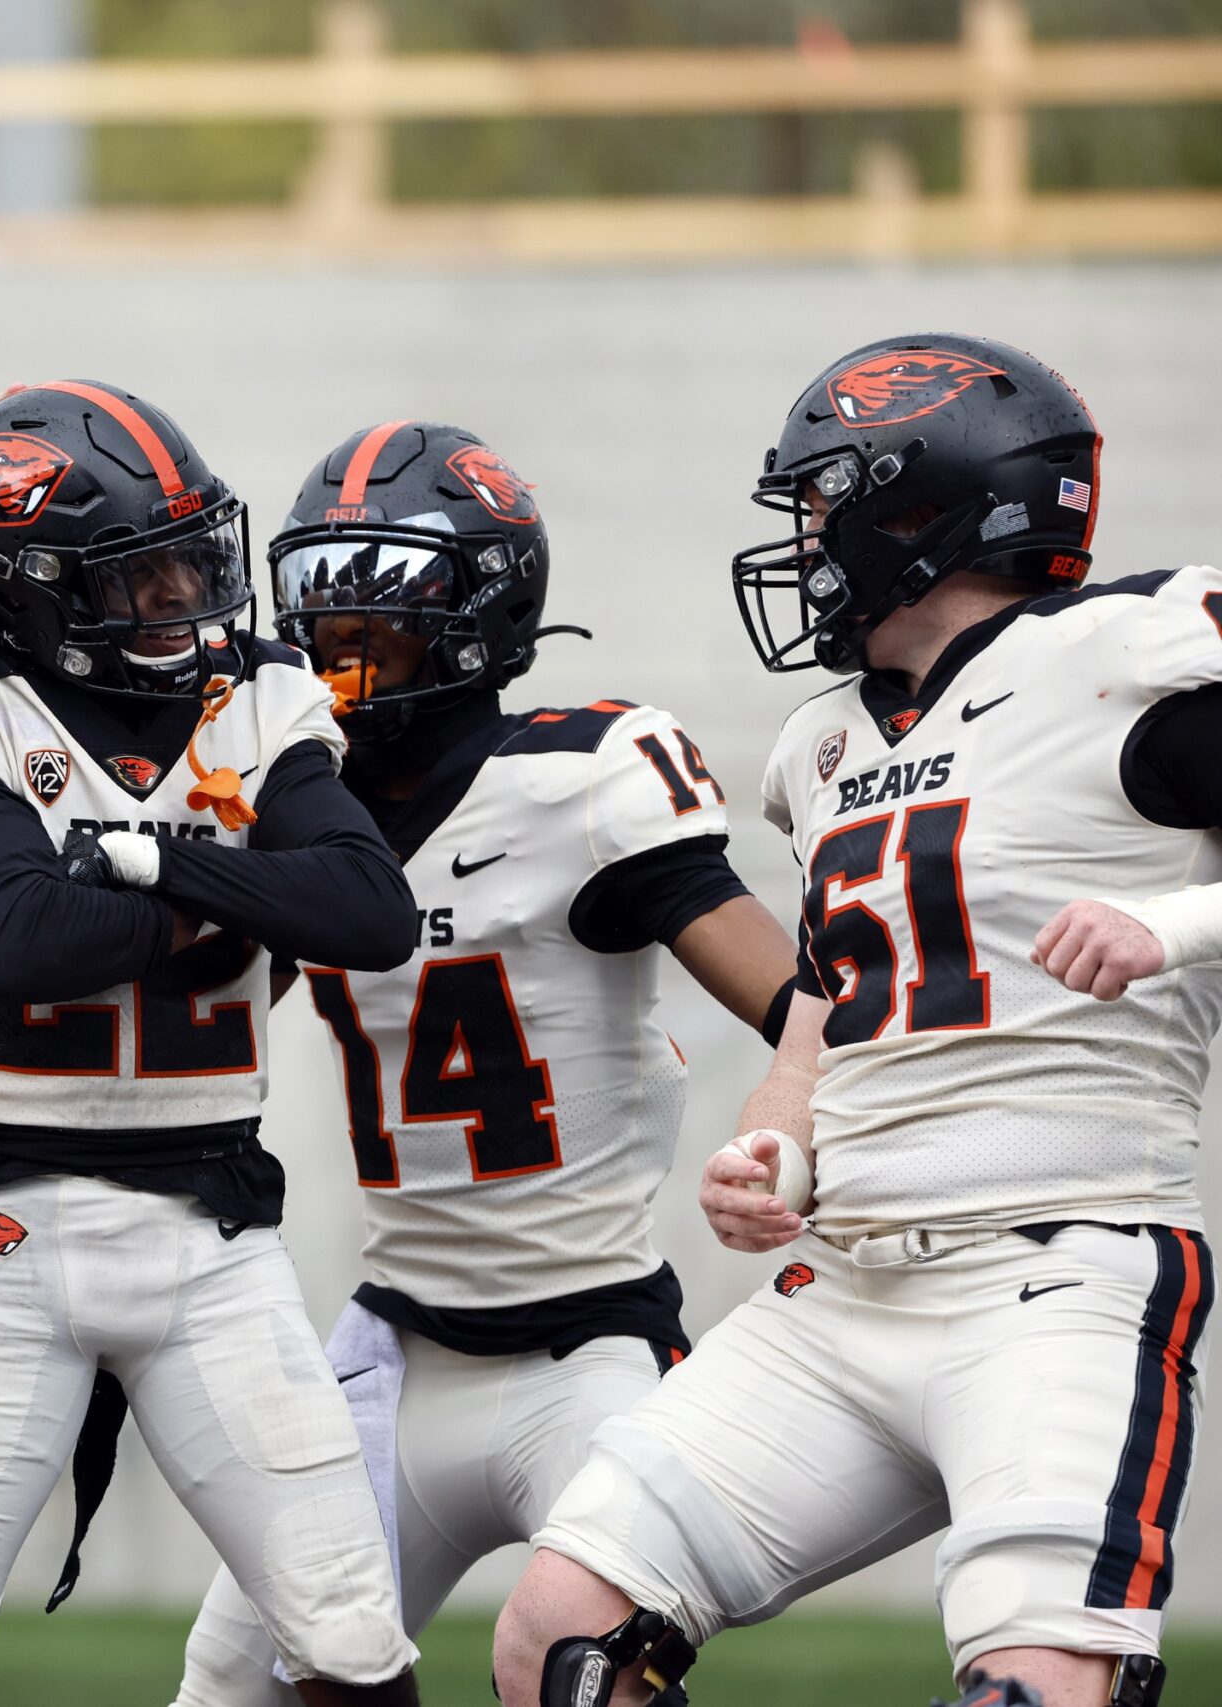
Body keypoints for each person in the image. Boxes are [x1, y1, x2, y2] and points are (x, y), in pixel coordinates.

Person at [494, 334, 1222, 1707]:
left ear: (922, 506)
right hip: (842, 1290)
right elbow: (839, 1004)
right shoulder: (823, 745)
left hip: (1054, 1269)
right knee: (557, 1638)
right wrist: (781, 1144)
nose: (807, 542)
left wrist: (1168, 925)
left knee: (1039, 1687)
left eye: (824, 505)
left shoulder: (1123, 656)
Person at [170, 422, 798, 1707]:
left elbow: (800, 1002)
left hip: (588, 1353)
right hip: (392, 1345)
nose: (340, 647)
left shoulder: (580, 780)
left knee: (583, 1673)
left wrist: (790, 1130)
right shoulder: (297, 806)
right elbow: (195, 1025)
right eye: (322, 604)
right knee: (229, 1684)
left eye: (380, 606)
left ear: (477, 611)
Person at [0, 381, 422, 1707]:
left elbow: (369, 909)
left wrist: (143, 857)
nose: (182, 599)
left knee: (348, 1635)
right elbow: (17, 938)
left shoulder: (261, 686)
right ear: (32, 584)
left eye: (188, 560)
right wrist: (227, 889)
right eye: (136, 575)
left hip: (213, 1234)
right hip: (8, 1227)